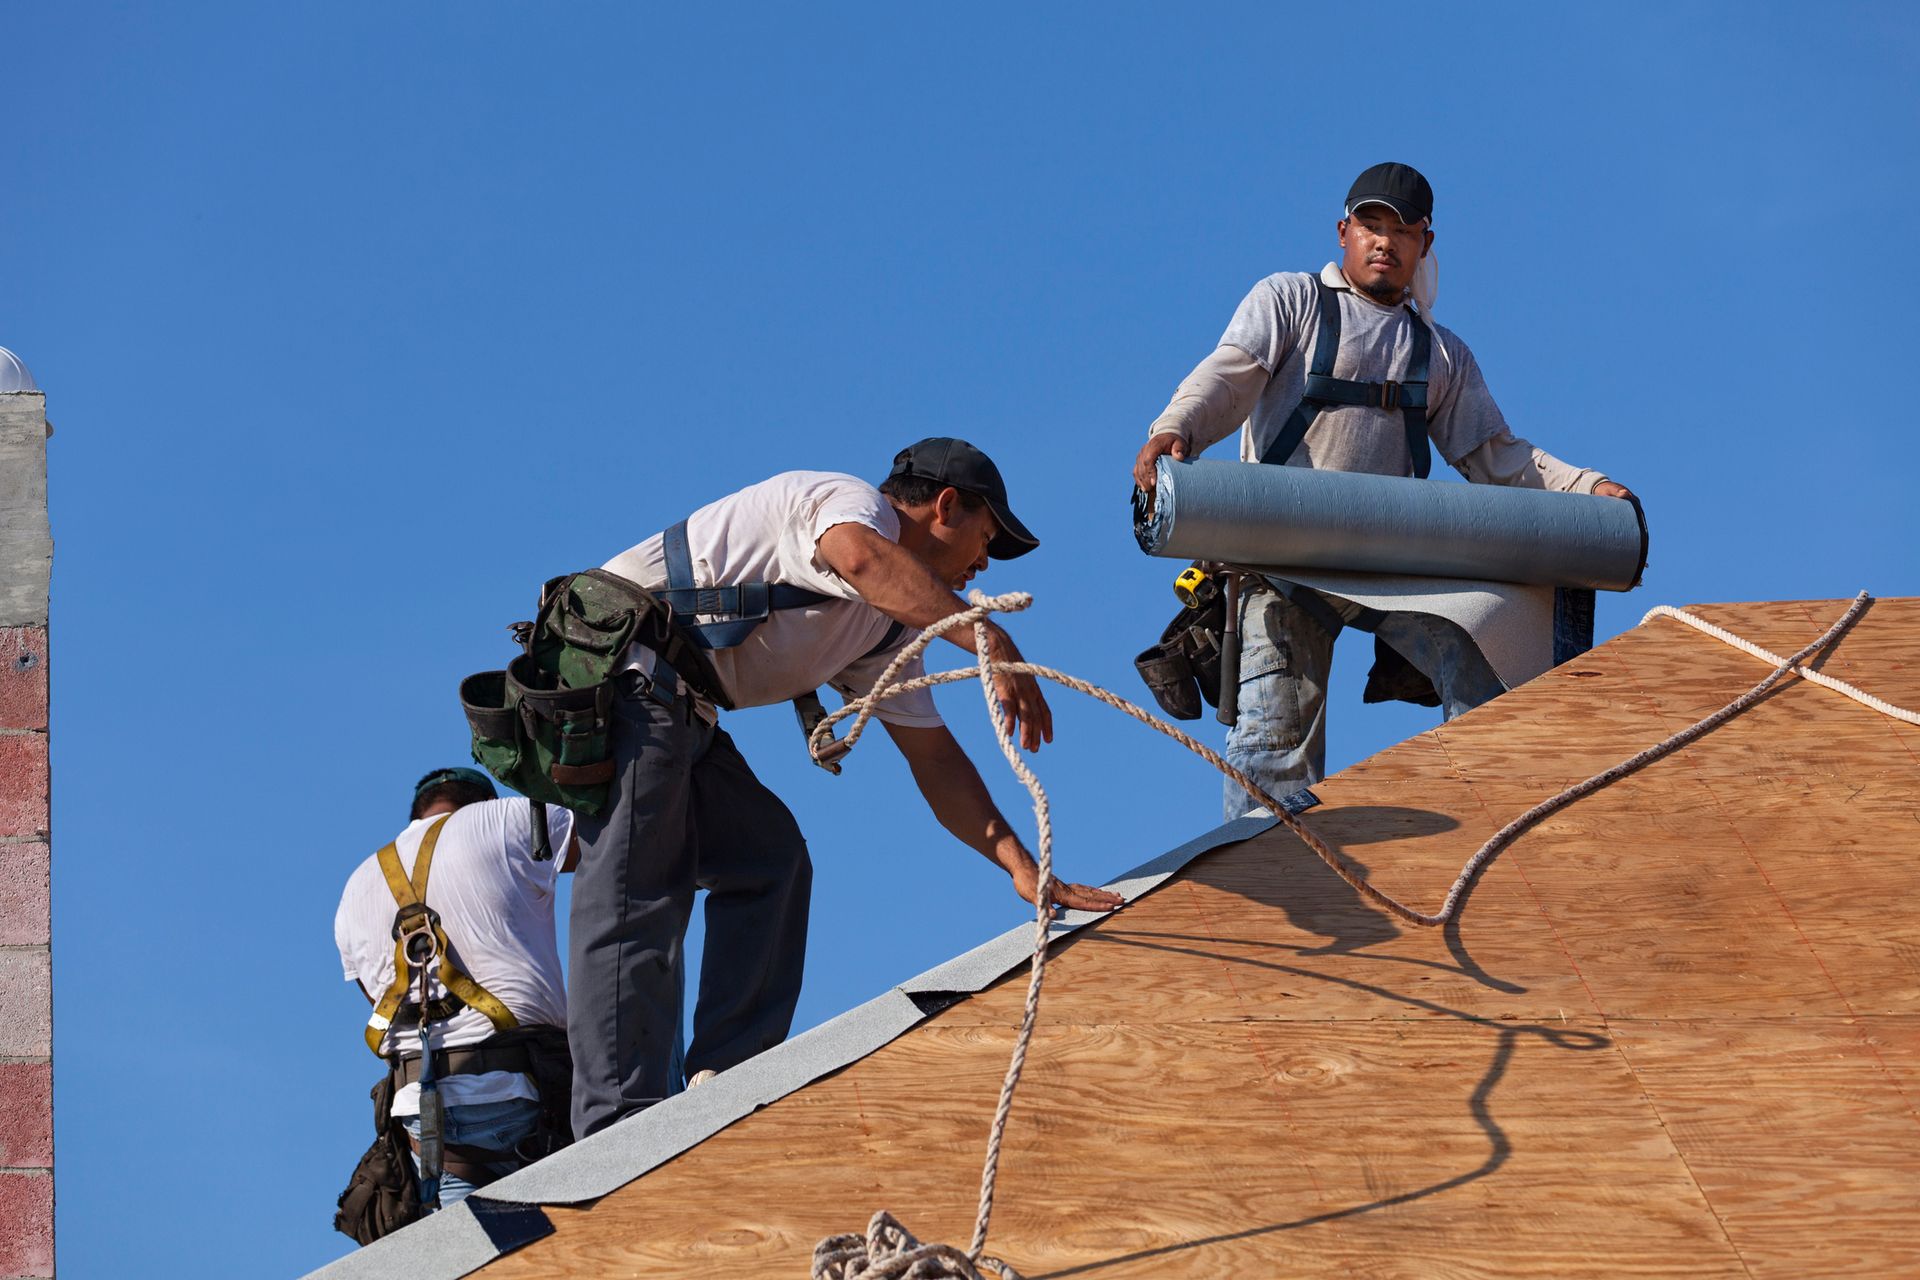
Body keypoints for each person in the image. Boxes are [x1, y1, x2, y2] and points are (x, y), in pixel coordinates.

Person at [568, 437, 1124, 1138]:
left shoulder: (883, 626)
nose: (983, 564)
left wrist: (1022, 867)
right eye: (985, 540)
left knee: (769, 860)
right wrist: (991, 640)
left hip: (683, 711)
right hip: (625, 682)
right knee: (634, 883)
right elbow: (860, 557)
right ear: (946, 505)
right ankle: (616, 1124)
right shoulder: (847, 504)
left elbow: (935, 761)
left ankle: (726, 1080)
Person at [1131, 162, 1638, 820]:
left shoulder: (1438, 353)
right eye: (1371, 225)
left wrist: (1589, 489)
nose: (1384, 242)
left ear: (1425, 244)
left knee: (1486, 662)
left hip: (1393, 569)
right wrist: (1175, 429)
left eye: (1403, 230)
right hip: (1284, 565)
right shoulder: (1291, 302)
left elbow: (1496, 456)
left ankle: (1499, 827)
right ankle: (1269, 867)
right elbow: (1227, 377)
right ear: (1344, 231)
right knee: (1273, 741)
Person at [334, 768, 578, 1211]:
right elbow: (610, 841)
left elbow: (378, 1001)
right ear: (484, 801)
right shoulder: (502, 820)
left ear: (417, 815)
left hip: (423, 1124)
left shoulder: (356, 886)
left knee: (482, 1256)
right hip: (518, 1091)